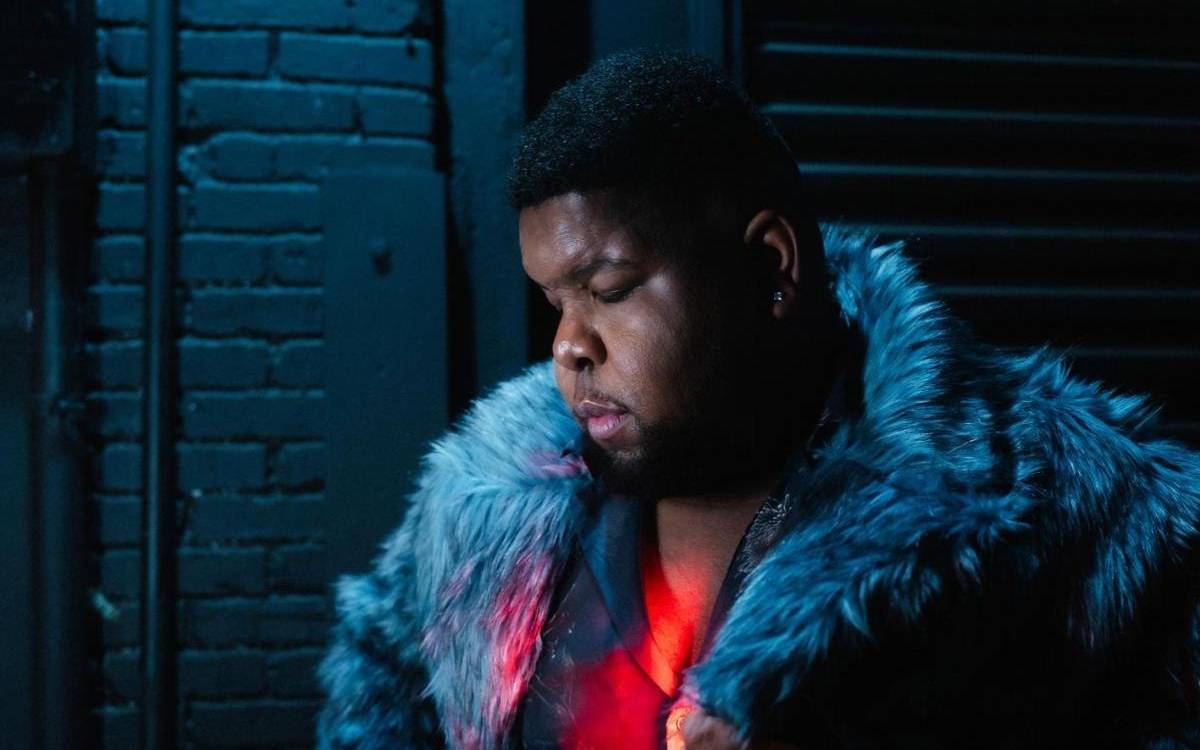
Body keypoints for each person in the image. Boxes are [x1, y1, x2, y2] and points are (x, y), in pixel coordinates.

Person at [317, 49, 1200, 750]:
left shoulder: (1065, 512)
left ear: (772, 266)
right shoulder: (478, 519)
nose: (568, 346)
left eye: (610, 290)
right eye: (556, 303)